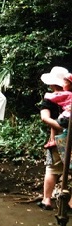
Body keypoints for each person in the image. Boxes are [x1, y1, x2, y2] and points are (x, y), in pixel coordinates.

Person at [38, 66, 71, 209]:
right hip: (70, 137)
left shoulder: (49, 99)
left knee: (52, 169)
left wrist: (59, 127)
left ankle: (47, 200)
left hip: (56, 140)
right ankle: (70, 203)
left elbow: (45, 118)